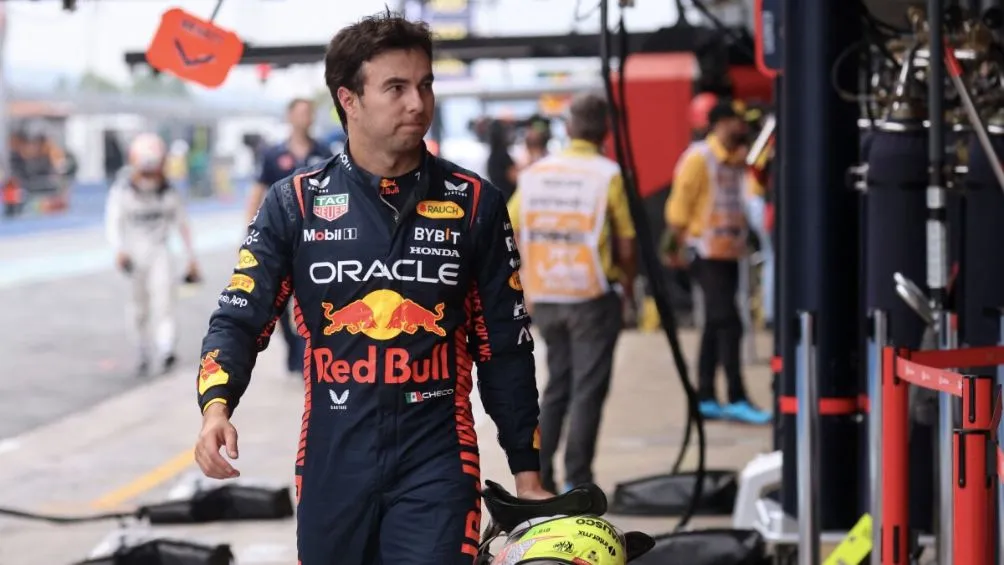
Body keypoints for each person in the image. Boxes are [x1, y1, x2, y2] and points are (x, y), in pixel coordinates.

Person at [193, 13, 551, 565]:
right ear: (349, 100)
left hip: (438, 463)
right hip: (333, 466)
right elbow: (238, 317)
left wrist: (527, 472)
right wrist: (216, 408)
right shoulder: (294, 204)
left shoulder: (474, 203)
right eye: (397, 88)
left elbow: (505, 344)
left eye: (425, 84)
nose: (418, 103)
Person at [508, 92, 637, 494]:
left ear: (567, 128)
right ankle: (580, 479)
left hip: (545, 295)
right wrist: (627, 285)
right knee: (588, 387)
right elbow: (627, 241)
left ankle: (541, 473)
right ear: (607, 131)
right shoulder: (608, 174)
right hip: (592, 296)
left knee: (557, 384)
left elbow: (509, 228)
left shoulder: (534, 174)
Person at [663, 101, 771, 425]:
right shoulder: (699, 159)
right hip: (704, 252)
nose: (741, 128)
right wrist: (673, 252)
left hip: (728, 252)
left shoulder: (738, 161)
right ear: (719, 123)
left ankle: (706, 396)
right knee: (729, 322)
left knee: (714, 323)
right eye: (736, 121)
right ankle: (736, 396)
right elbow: (678, 210)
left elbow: (754, 190)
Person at [244, 97, 332, 378]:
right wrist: (249, 229)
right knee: (279, 294)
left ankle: (309, 345)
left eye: (309, 112)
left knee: (313, 292)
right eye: (300, 112)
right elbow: (259, 191)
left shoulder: (324, 151)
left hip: (317, 236)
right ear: (289, 116)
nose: (304, 117)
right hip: (282, 235)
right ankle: (292, 345)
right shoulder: (273, 154)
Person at [105, 133, 199, 377]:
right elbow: (113, 222)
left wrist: (191, 258)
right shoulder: (123, 191)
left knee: (165, 300)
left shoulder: (169, 192)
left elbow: (183, 224)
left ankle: (166, 348)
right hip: (134, 255)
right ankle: (142, 349)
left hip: (161, 252)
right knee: (138, 306)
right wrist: (119, 250)